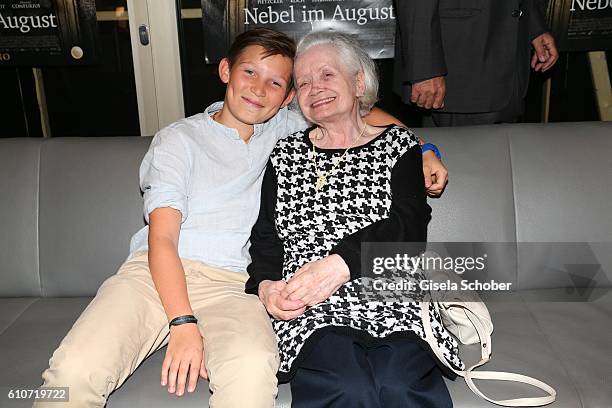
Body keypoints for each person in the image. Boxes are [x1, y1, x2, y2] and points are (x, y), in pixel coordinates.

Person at [35, 29, 448, 408]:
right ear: (226, 70)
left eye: (277, 83)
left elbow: (361, 115)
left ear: (288, 99)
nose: (258, 89)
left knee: (251, 378)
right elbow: (162, 240)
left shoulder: (286, 126)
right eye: (249, 71)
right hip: (156, 273)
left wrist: (425, 147)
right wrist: (183, 323)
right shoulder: (179, 139)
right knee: (73, 373)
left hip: (235, 287)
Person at [246, 31, 463, 408]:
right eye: (304, 82)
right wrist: (265, 287)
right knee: (346, 388)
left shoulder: (398, 145)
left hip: (392, 294)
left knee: (401, 386)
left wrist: (341, 264)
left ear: (358, 82)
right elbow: (266, 237)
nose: (316, 89)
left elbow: (409, 226)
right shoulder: (285, 153)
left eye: (327, 75)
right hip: (312, 305)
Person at [393, 0, 559, 126]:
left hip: (507, 61)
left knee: (499, 164)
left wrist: (533, 25)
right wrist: (425, 68)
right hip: (457, 62)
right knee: (458, 165)